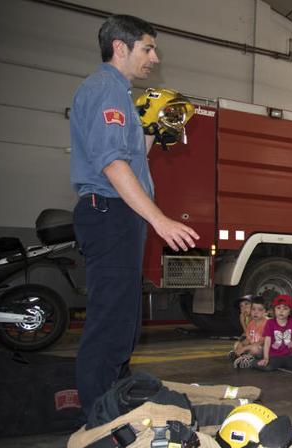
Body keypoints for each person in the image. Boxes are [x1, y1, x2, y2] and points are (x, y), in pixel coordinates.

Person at [70, 14, 199, 414]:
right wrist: (159, 219)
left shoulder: (121, 95)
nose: (155, 58)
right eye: (147, 47)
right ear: (120, 47)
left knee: (123, 320)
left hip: (119, 214)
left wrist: (150, 134)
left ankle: (116, 401)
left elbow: (129, 161)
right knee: (111, 322)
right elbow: (112, 166)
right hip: (108, 211)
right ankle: (99, 419)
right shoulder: (106, 89)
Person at [255, 295, 292, 371]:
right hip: (274, 355)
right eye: (278, 308)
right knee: (268, 367)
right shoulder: (270, 323)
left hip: (288, 355)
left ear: (290, 312)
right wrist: (266, 358)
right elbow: (267, 341)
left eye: (285, 309)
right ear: (274, 310)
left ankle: (283, 363)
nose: (281, 311)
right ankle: (252, 362)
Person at [231, 296, 268, 368]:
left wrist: (245, 348)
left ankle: (248, 358)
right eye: (253, 309)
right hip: (254, 346)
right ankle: (243, 356)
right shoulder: (251, 323)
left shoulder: (267, 323)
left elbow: (262, 342)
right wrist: (241, 345)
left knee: (254, 348)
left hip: (265, 349)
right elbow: (248, 338)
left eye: (259, 310)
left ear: (265, 312)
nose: (255, 312)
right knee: (239, 345)